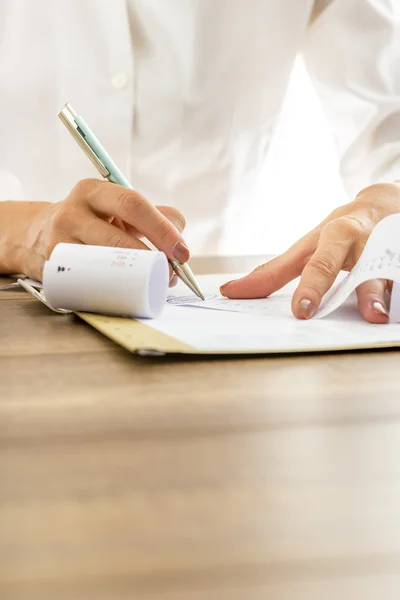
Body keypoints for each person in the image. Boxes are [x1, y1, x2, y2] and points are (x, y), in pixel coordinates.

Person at [0, 0, 399, 323]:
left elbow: (389, 122)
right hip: (21, 312)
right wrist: (26, 233)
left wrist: (385, 207)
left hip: (222, 318)